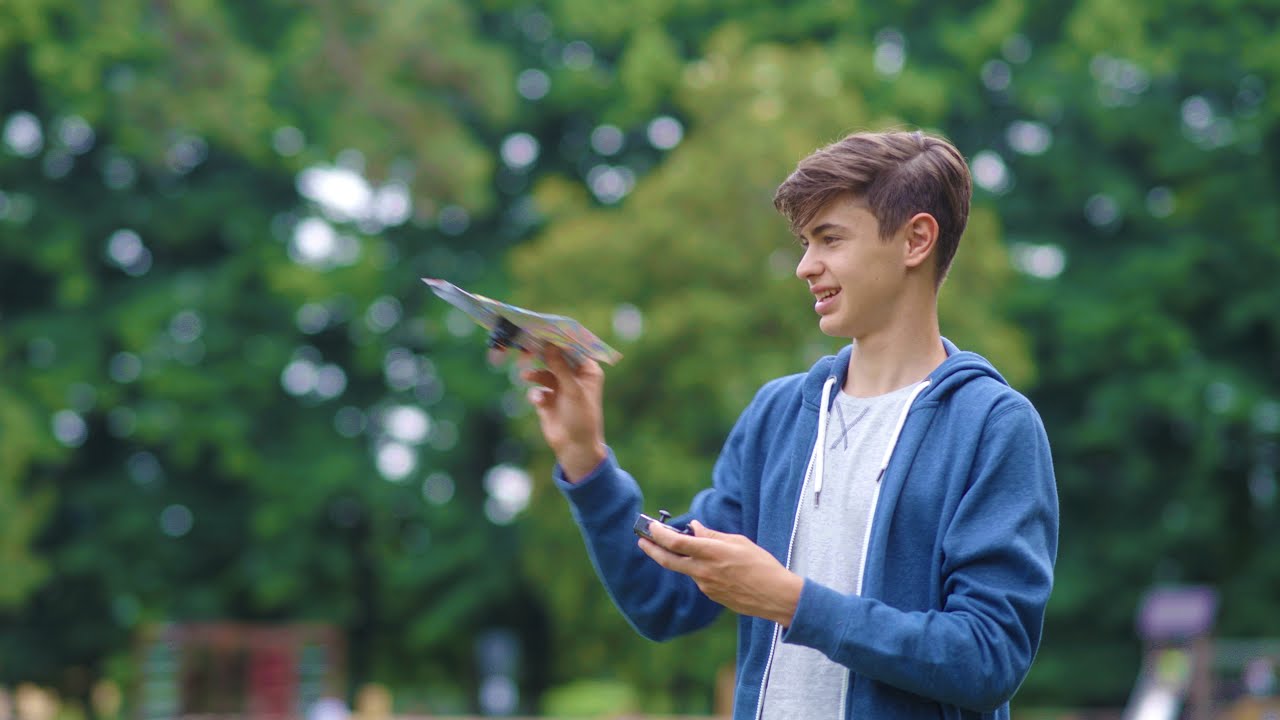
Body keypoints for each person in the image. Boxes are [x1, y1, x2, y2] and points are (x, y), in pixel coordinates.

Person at [515, 129, 1059, 719]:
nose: (805, 266)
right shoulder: (777, 415)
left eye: (829, 239)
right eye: (805, 242)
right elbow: (663, 602)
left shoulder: (994, 427)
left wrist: (791, 602)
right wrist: (584, 458)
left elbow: (988, 657)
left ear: (915, 240)